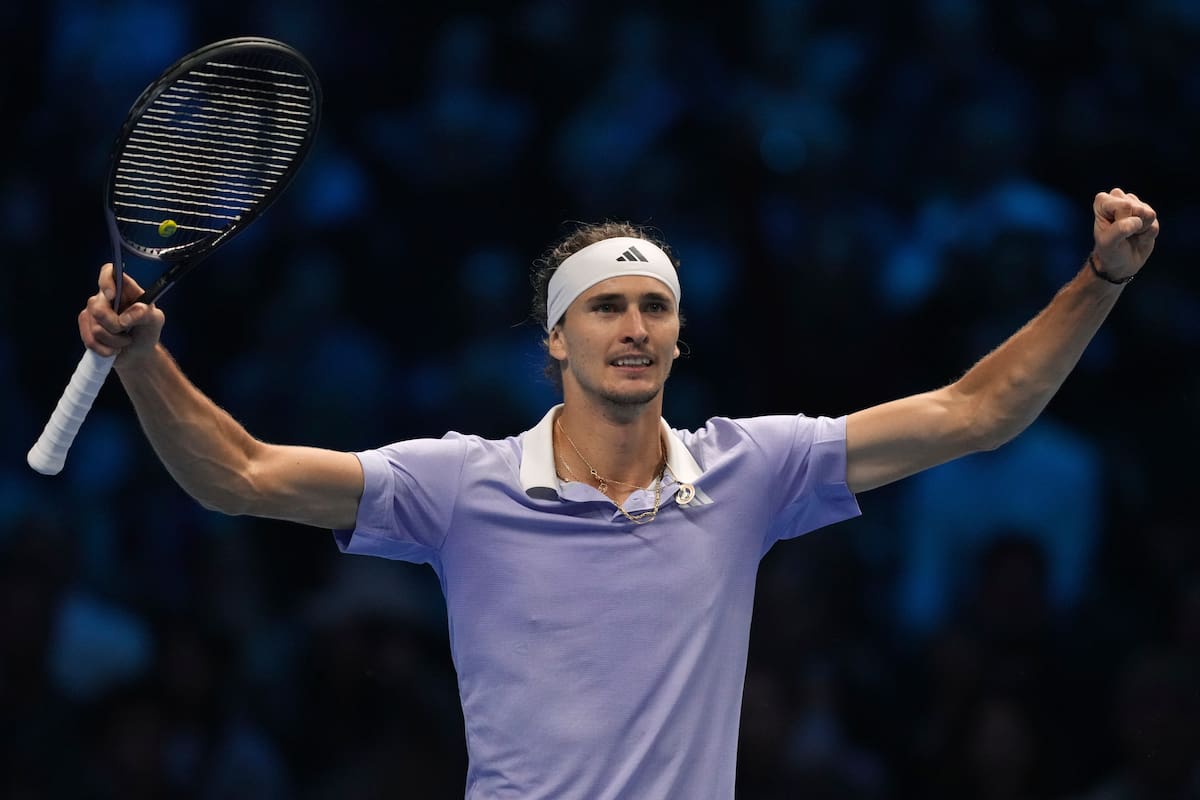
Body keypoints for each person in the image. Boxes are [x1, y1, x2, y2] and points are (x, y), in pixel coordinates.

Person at [77, 188, 1158, 798]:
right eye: (605, 307)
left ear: (679, 337)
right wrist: (144, 361)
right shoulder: (458, 484)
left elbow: (978, 410)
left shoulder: (749, 469)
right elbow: (240, 474)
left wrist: (1100, 279)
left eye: (655, 307)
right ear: (556, 338)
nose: (634, 327)